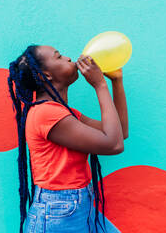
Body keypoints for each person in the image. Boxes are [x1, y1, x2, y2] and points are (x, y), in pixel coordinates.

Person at [7, 44, 128, 233]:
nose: (68, 58)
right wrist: (100, 85)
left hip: (75, 206)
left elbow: (119, 132)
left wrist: (116, 81)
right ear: (46, 75)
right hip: (59, 212)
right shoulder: (46, 114)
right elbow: (114, 145)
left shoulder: (64, 113)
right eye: (59, 56)